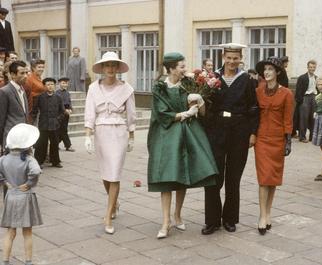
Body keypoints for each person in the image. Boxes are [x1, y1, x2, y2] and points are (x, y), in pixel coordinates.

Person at [147, 52, 217, 239]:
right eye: (181, 66)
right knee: (166, 178)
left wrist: (200, 102)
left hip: (187, 134)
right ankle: (165, 221)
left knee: (182, 175)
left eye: (184, 66)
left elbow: (202, 113)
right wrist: (185, 113)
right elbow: (162, 115)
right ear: (170, 68)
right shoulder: (159, 87)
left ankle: (177, 215)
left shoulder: (189, 84)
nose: (185, 69)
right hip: (167, 135)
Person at [202, 43, 259, 235]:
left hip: (239, 132)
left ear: (240, 58)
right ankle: (212, 221)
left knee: (233, 178)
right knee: (213, 178)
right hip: (216, 132)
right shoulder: (212, 78)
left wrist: (252, 133)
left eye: (236, 58)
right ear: (223, 56)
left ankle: (230, 219)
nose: (232, 62)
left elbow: (253, 108)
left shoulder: (247, 80)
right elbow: (206, 105)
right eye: (229, 58)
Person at [84, 51, 136, 234]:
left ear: (118, 68)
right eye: (107, 65)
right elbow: (90, 112)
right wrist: (87, 135)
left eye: (114, 65)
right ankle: (115, 203)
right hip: (100, 133)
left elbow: (131, 114)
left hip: (118, 132)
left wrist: (132, 136)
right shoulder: (93, 88)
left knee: (114, 173)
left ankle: (107, 215)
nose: (110, 69)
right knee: (106, 174)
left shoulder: (126, 88)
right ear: (102, 68)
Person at [254, 57, 293, 235]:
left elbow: (288, 119)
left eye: (270, 69)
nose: (267, 72)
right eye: (265, 70)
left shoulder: (286, 93)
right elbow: (253, 115)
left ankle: (268, 212)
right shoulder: (258, 91)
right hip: (262, 139)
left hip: (278, 139)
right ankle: (262, 215)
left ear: (277, 72)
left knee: (273, 179)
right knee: (264, 178)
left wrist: (288, 140)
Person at [0, 123, 42, 265]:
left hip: (11, 196)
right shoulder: (29, 159)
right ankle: (28, 261)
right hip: (25, 197)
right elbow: (36, 171)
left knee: (10, 233)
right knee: (27, 232)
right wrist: (29, 183)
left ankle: (5, 260)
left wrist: (5, 182)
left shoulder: (3, 159)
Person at [32, 78, 65, 168]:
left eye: (52, 84)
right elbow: (34, 110)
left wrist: (58, 119)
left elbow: (62, 111)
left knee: (55, 143)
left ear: (54, 86)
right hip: (43, 124)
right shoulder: (40, 97)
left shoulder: (58, 97)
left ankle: (55, 161)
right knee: (41, 144)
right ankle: (39, 162)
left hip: (55, 125)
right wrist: (32, 122)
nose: (50, 86)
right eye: (48, 84)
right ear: (44, 86)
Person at [0, 61, 29, 154]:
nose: (26, 76)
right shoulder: (5, 91)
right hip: (11, 139)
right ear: (13, 74)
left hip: (23, 137)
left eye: (26, 73)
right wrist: (3, 143)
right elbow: (1, 119)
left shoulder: (22, 90)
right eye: (22, 73)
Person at [295, 60, 317, 143]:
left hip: (314, 97)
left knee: (313, 118)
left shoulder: (316, 78)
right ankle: (302, 137)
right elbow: (298, 90)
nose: (312, 69)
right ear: (307, 67)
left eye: (313, 67)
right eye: (310, 67)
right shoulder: (302, 77)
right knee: (303, 118)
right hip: (305, 98)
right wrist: (300, 100)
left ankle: (312, 137)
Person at [56, 77, 75, 152]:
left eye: (66, 83)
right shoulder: (57, 93)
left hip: (67, 113)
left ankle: (55, 144)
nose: (65, 84)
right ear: (59, 83)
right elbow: (58, 104)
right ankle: (68, 145)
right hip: (60, 113)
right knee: (63, 130)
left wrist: (70, 109)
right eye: (63, 83)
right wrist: (64, 111)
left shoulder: (67, 93)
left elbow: (69, 102)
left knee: (62, 130)